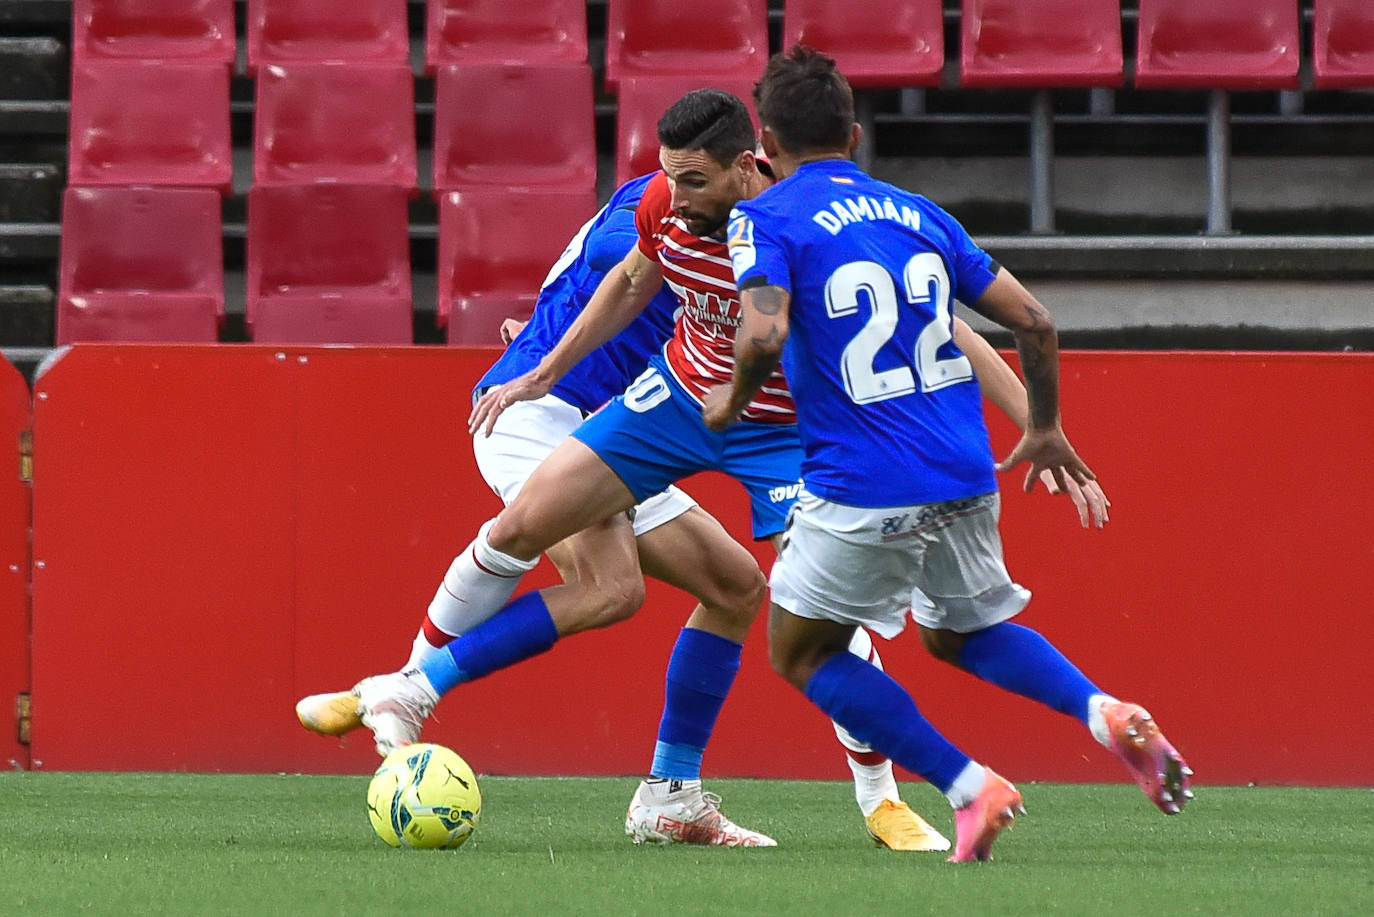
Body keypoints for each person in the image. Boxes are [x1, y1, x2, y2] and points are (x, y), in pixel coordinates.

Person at [310, 88, 1106, 853]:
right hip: (620, 405)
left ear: (749, 163)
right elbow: (623, 280)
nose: (678, 193)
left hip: (765, 429)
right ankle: (405, 689)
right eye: (673, 177)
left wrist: (1042, 421)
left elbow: (956, 332)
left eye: (695, 178)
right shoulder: (656, 210)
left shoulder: (792, 226)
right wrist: (540, 371)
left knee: (760, 593)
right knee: (583, 567)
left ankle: (697, 796)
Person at [703, 46, 1192, 863]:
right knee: (962, 631)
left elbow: (763, 327)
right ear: (854, 134)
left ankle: (970, 786)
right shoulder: (918, 213)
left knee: (801, 648)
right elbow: (1034, 319)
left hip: (861, 481)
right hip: (965, 468)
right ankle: (1102, 710)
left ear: (765, 148)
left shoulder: (767, 215)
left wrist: (729, 398)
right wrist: (1041, 424)